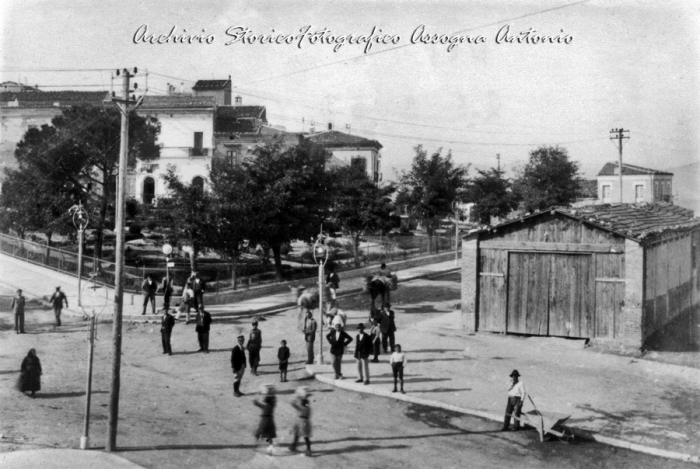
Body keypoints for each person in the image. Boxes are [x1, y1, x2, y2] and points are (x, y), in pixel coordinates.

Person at [254, 384, 277, 455]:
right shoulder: (272, 405)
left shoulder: (264, 406)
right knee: (270, 437)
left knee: (258, 432)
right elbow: (274, 399)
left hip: (264, 420)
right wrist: (272, 393)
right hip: (270, 420)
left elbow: (255, 402)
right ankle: (270, 450)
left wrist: (258, 393)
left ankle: (256, 445)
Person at [290, 386, 312, 456]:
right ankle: (308, 450)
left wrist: (296, 396)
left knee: (297, 434)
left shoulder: (300, 407)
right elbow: (308, 416)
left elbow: (292, 404)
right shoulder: (308, 408)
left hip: (299, 421)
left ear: (301, 403)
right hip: (306, 422)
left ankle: (293, 447)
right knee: (306, 437)